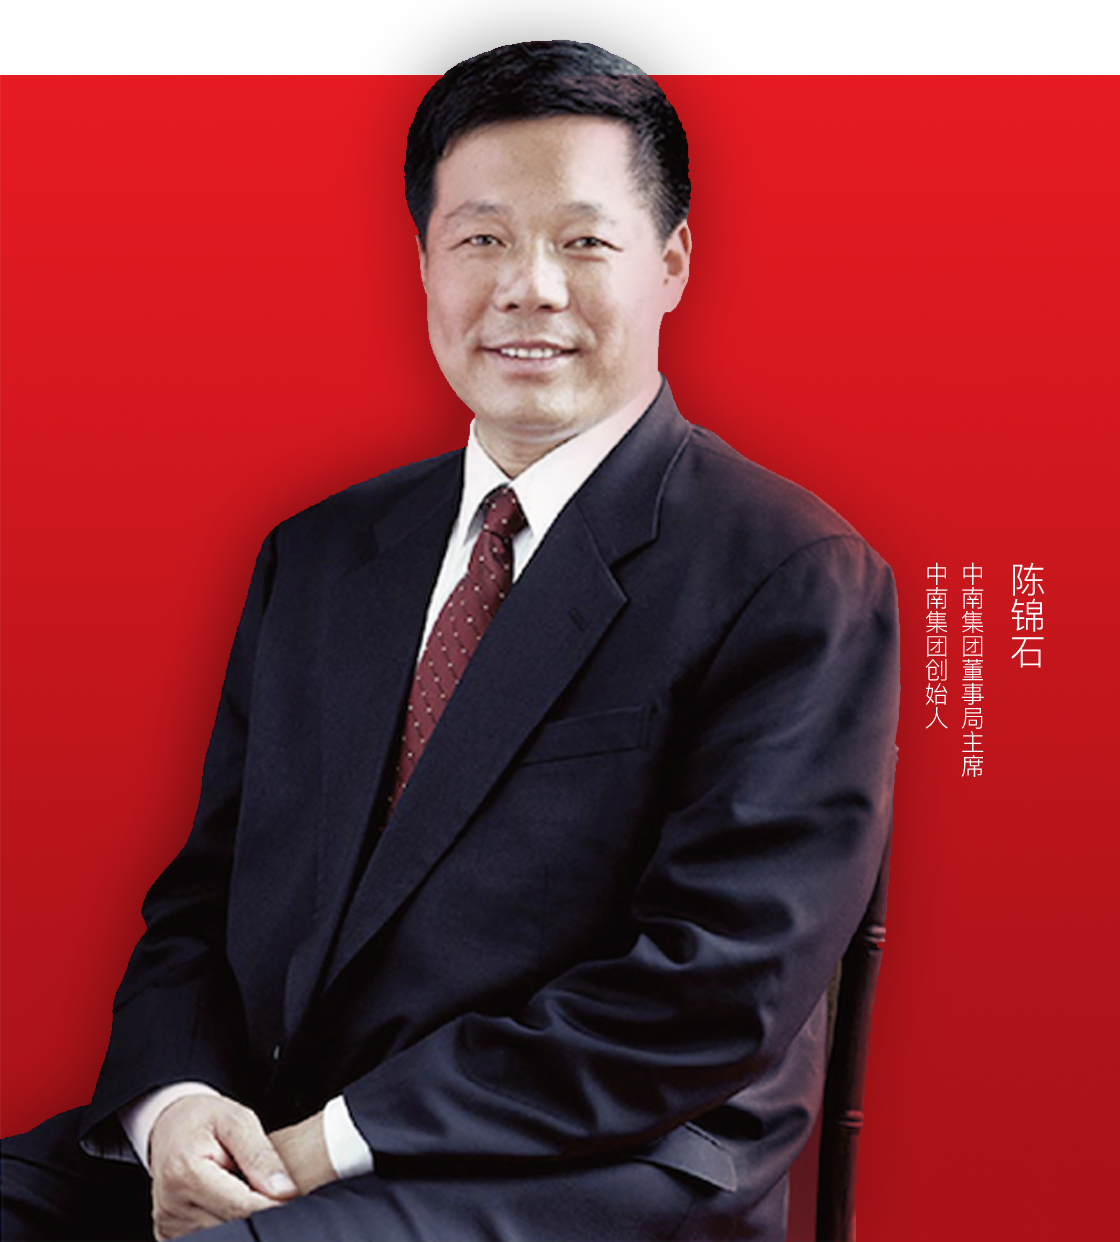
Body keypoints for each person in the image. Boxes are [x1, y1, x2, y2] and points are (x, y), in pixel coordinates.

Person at [0, 40, 900, 1242]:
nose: (529, 287)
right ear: (424, 262)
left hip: (586, 1165)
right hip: (272, 1126)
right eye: (481, 239)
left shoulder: (791, 573)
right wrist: (177, 1109)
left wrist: (337, 1139)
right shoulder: (320, 554)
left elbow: (712, 990)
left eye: (583, 242)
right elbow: (205, 899)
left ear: (672, 264)